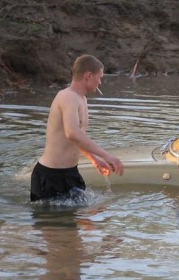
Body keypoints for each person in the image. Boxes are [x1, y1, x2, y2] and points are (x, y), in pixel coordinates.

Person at [30, 54, 124, 202]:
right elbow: (72, 133)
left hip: (71, 173)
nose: (100, 82)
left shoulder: (83, 99)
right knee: (54, 223)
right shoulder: (67, 97)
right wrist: (107, 156)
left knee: (79, 222)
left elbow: (77, 138)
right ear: (88, 76)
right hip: (50, 175)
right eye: (99, 78)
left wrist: (94, 159)